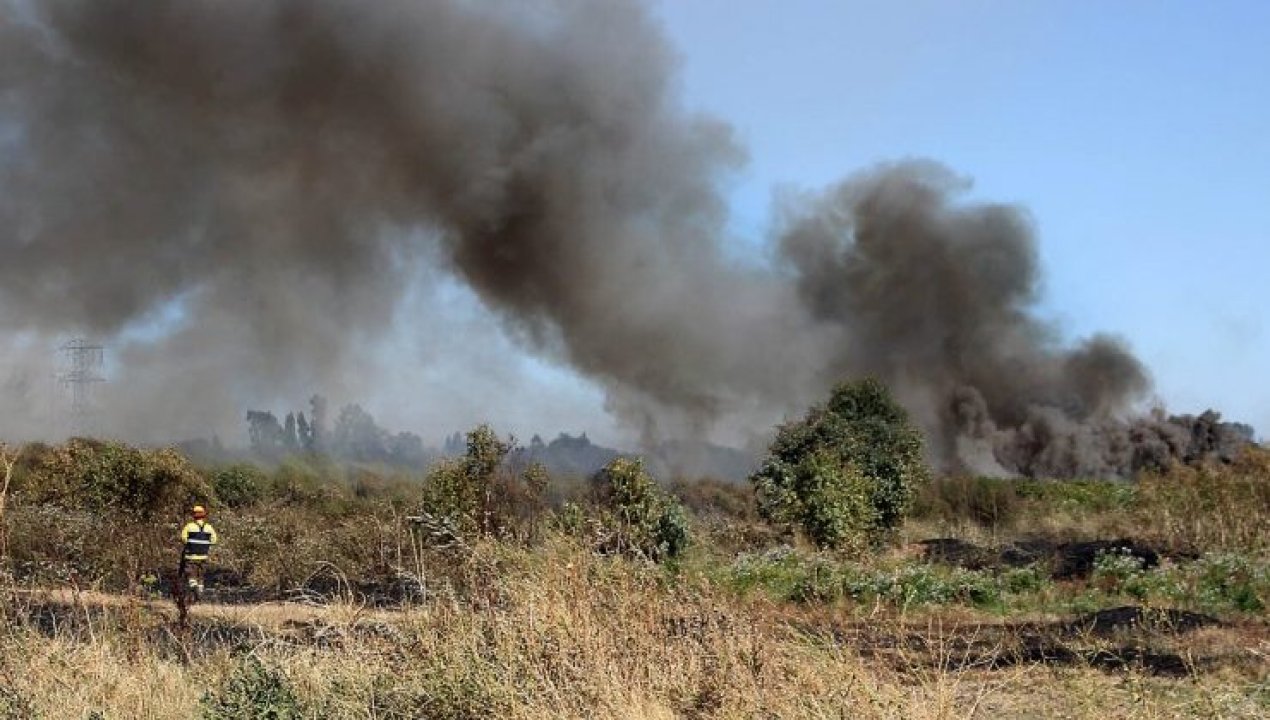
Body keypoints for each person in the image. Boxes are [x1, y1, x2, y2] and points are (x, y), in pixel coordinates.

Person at [180, 504, 219, 593]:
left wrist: (190, 544)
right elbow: (214, 540)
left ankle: (193, 585)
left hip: (191, 555)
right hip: (203, 555)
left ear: (194, 515)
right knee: (201, 573)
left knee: (190, 571)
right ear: (204, 515)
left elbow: (183, 538)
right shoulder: (209, 527)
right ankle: (200, 588)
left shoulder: (189, 526)